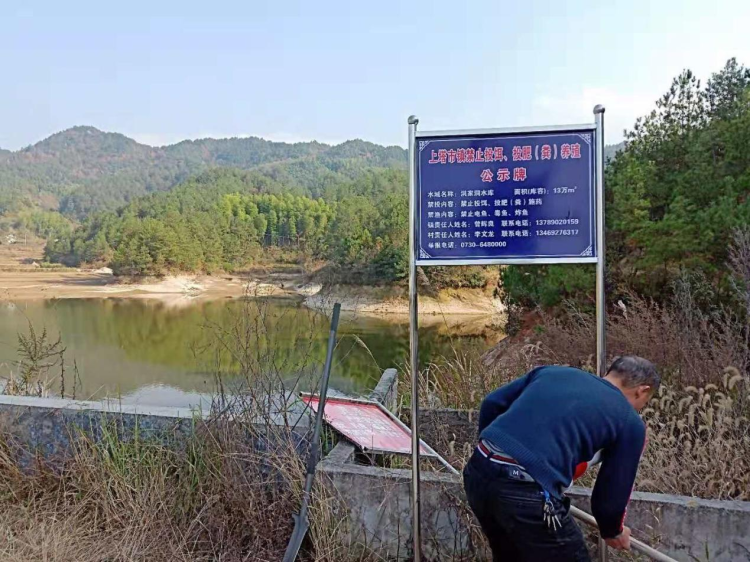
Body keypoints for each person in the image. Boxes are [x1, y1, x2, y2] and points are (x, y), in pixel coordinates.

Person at [463, 356, 659, 561]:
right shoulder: (629, 421)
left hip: (478, 472)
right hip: (525, 490)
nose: (639, 408)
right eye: (644, 403)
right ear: (642, 390)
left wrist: (495, 455)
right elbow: (611, 494)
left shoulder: (551, 372)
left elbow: (492, 403)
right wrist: (613, 531)